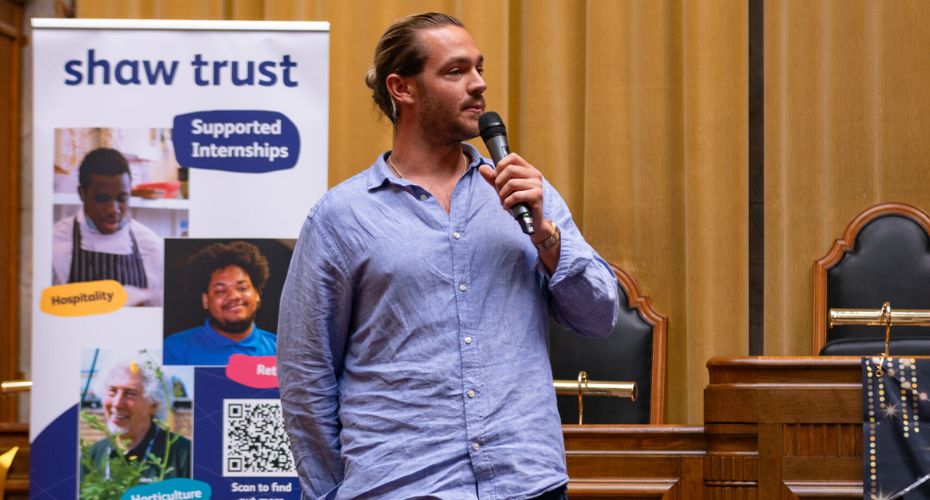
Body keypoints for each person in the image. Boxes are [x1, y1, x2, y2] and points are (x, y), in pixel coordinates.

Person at [277, 12, 620, 499]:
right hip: (402, 486)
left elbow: (599, 316)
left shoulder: (526, 197)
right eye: (456, 71)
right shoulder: (340, 217)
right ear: (403, 89)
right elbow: (305, 378)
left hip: (526, 483)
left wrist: (544, 234)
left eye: (479, 68)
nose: (479, 85)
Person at [52, 147, 164, 306]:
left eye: (122, 198)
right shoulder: (54, 244)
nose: (114, 210)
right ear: (82, 194)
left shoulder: (152, 247)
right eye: (102, 198)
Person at [164, 241, 276, 365]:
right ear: (205, 300)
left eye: (242, 288)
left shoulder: (281, 350)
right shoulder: (175, 350)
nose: (234, 296)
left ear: (257, 295)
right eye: (220, 291)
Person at [81, 358, 191, 483]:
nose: (117, 403)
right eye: (112, 391)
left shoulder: (184, 455)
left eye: (130, 393)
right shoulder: (93, 455)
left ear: (154, 404)